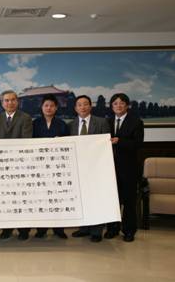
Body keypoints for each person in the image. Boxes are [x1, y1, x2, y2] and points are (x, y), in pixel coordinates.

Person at [0, 90, 33, 240]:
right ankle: (6, 228)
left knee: (21, 199)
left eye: (13, 100)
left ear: (17, 102)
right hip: (1, 166)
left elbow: (26, 141)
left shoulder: (26, 118)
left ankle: (23, 230)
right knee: (5, 199)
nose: (10, 103)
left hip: (19, 165)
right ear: (2, 103)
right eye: (6, 100)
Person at [69, 95, 110, 243]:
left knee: (96, 198)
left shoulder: (101, 122)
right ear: (75, 108)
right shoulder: (72, 124)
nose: (83, 107)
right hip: (79, 168)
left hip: (97, 168)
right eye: (79, 105)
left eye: (85, 104)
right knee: (82, 198)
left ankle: (96, 231)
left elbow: (106, 145)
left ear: (90, 106)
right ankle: (84, 228)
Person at [105, 93, 144, 242]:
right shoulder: (107, 122)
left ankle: (129, 230)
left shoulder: (136, 122)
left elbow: (138, 144)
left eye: (122, 103)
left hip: (129, 169)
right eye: (115, 103)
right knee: (112, 200)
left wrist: (119, 141)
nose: (118, 106)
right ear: (111, 106)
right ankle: (112, 229)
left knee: (128, 201)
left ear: (127, 105)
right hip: (110, 168)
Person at [32, 94, 69, 239]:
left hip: (58, 167)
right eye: (46, 105)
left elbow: (68, 144)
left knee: (58, 198)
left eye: (52, 106)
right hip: (39, 166)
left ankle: (59, 229)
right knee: (41, 198)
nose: (49, 108)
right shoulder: (35, 123)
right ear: (42, 108)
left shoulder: (62, 124)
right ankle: (41, 229)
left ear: (56, 108)